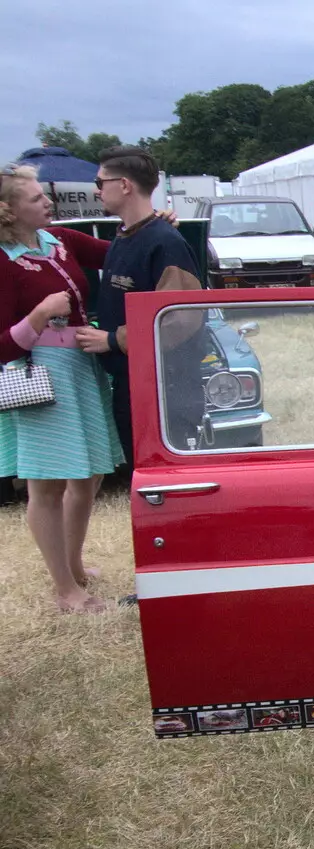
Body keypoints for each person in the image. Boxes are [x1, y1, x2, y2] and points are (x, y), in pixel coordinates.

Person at [0, 164, 123, 613]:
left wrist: (152, 226)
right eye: (35, 198)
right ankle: (64, 590)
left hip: (80, 368)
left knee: (88, 475)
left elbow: (120, 255)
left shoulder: (62, 241)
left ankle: (72, 565)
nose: (47, 202)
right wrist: (38, 315)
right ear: (8, 212)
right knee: (46, 485)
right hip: (40, 377)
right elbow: (1, 346)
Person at [73, 147, 203, 470]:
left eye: (100, 182)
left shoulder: (165, 242)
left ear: (125, 185)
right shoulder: (123, 237)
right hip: (136, 387)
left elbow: (181, 318)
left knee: (167, 485)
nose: (96, 190)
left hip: (165, 393)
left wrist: (113, 340)